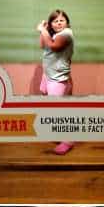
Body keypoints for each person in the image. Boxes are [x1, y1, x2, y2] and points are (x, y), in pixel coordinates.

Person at [37, 9, 74, 155]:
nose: (59, 23)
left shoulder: (66, 34)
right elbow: (42, 45)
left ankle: (68, 141)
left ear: (67, 22)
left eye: (61, 20)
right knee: (53, 106)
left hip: (58, 79)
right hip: (49, 75)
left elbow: (53, 46)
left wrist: (41, 29)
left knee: (59, 110)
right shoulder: (55, 34)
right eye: (55, 21)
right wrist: (44, 30)